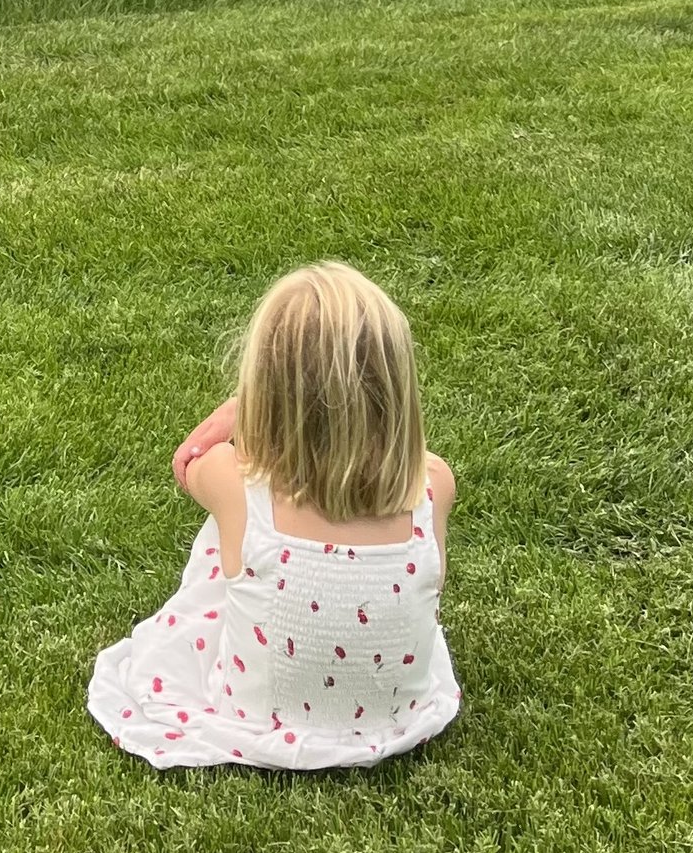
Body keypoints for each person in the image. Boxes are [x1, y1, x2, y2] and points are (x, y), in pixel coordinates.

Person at [87, 261, 459, 771]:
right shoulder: (433, 485)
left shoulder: (240, 488)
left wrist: (239, 410)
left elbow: (189, 460)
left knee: (230, 536)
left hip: (257, 720)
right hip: (396, 717)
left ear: (266, 392)